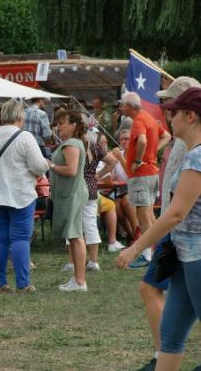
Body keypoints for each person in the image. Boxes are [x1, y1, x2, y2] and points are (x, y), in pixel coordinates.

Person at [117, 87, 201, 371]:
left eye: (173, 112)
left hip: (198, 258)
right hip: (185, 259)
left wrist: (135, 247)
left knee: (171, 336)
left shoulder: (197, 158)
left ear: (191, 116)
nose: (168, 118)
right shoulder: (192, 154)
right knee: (171, 336)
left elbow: (176, 213)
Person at [0, 99, 48, 292]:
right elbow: (39, 166)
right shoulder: (25, 138)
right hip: (21, 195)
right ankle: (23, 284)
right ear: (19, 116)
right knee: (20, 239)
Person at [121, 92, 171, 268]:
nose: (120, 107)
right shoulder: (149, 117)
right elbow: (167, 136)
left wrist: (137, 160)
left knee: (143, 216)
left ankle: (147, 255)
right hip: (151, 173)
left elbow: (141, 140)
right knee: (149, 215)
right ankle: (162, 250)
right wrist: (152, 152)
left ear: (129, 106)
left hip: (142, 174)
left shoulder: (139, 120)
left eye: (122, 105)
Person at [61, 134, 119, 273]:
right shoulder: (95, 147)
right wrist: (98, 175)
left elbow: (69, 169)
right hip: (91, 188)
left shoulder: (71, 145)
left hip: (74, 188)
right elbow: (113, 161)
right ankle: (93, 261)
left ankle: (72, 262)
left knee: (73, 225)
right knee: (91, 225)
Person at [49, 110, 89, 292]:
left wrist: (51, 165)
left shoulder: (72, 144)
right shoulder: (72, 143)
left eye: (63, 122)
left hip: (72, 194)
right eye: (59, 122)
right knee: (74, 237)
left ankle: (80, 281)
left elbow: (71, 170)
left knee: (76, 236)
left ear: (73, 125)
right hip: (70, 193)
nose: (60, 126)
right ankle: (77, 279)